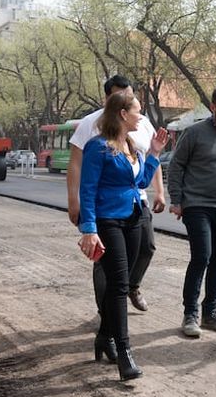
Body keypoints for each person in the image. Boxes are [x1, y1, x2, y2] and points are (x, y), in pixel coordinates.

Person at [78, 92, 168, 381]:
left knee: (124, 282)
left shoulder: (131, 145)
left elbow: (140, 182)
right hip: (108, 221)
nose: (141, 117)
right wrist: (89, 229)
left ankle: (104, 336)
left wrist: (154, 153)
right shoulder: (98, 147)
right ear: (121, 113)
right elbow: (88, 190)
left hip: (133, 218)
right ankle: (125, 353)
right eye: (137, 111)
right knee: (118, 286)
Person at [68, 75, 165, 316]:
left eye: (130, 95)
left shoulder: (140, 124)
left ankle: (131, 287)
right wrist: (74, 201)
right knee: (105, 262)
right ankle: (107, 314)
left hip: (137, 201)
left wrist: (160, 191)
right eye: (120, 96)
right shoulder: (90, 124)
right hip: (107, 208)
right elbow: (77, 165)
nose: (127, 100)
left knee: (147, 247)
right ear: (109, 98)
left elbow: (150, 156)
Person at [167, 87, 216, 338]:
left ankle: (210, 312)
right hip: (196, 205)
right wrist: (177, 200)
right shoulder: (194, 133)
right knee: (202, 256)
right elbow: (176, 166)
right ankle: (190, 314)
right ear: (213, 107)